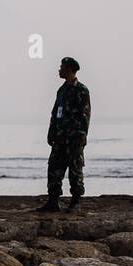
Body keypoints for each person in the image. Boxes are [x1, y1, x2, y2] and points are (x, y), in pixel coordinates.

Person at [40, 56, 91, 213]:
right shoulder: (61, 90)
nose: (59, 69)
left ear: (69, 69)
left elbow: (85, 115)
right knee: (54, 167)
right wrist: (51, 132)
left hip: (74, 138)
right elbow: (55, 113)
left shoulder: (81, 90)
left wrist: (81, 136)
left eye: (61, 67)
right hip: (60, 138)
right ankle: (53, 201)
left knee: (75, 170)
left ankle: (75, 202)